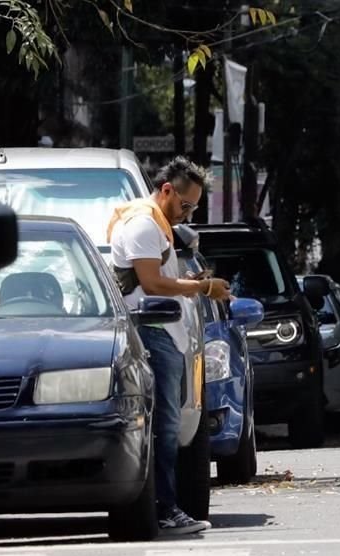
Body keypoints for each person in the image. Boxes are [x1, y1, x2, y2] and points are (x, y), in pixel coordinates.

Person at [107, 157, 231, 535]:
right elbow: (154, 283)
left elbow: (157, 278)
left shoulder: (154, 224)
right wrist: (203, 287)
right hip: (154, 333)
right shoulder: (144, 223)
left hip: (163, 332)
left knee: (167, 424)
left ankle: (164, 506)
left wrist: (190, 281)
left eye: (193, 207)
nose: (187, 213)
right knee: (164, 425)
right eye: (185, 205)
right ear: (166, 191)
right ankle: (165, 508)